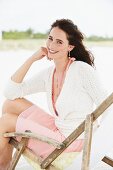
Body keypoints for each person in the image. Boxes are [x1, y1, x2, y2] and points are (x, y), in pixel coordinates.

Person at [0, 18, 112, 170]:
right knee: (10, 104)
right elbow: (10, 92)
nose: (51, 45)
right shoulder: (49, 73)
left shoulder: (82, 70)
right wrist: (32, 59)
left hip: (72, 141)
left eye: (59, 42)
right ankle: (4, 164)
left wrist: (95, 144)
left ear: (70, 46)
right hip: (58, 129)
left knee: (5, 122)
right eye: (50, 39)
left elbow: (107, 106)